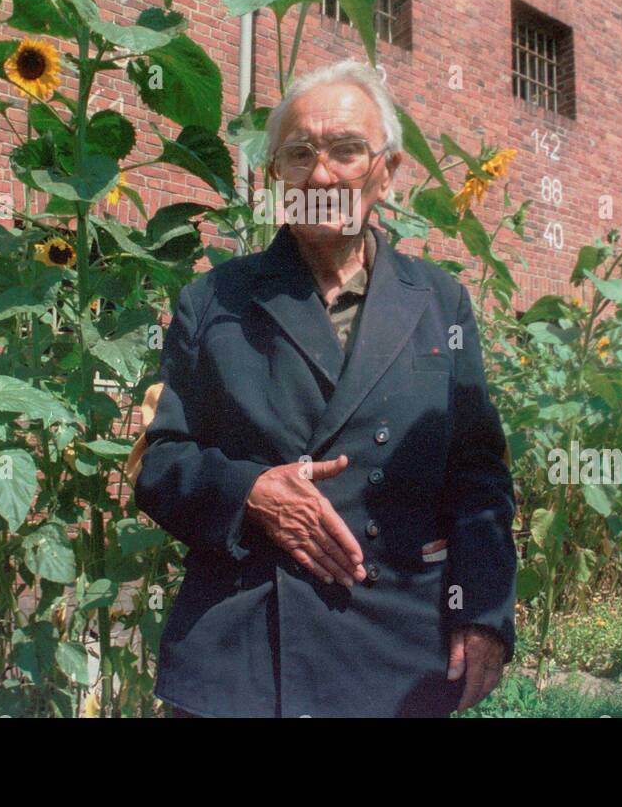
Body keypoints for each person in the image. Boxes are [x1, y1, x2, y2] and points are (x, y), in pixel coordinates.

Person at [133, 58, 517, 717]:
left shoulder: (438, 303)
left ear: (387, 172)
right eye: (299, 153)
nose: (321, 174)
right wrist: (246, 491)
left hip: (397, 653)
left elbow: (477, 473)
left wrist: (482, 612)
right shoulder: (214, 300)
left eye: (346, 151)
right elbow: (159, 461)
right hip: (242, 657)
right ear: (275, 174)